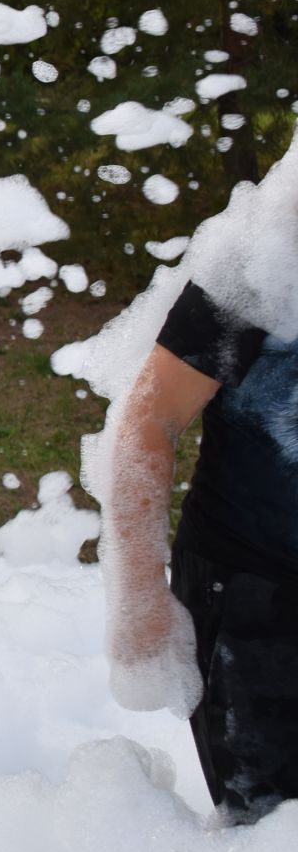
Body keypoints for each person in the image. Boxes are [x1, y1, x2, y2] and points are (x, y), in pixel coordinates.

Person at [102, 279, 298, 823]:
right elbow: (150, 422)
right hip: (254, 596)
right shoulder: (262, 265)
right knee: (276, 843)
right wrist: (139, 597)